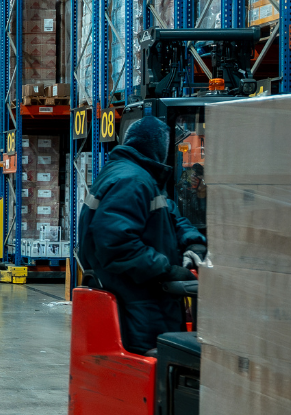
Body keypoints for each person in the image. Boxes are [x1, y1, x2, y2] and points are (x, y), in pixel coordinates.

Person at [75, 115, 207, 355]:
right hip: (139, 302)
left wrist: (193, 242)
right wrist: (166, 269)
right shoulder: (132, 181)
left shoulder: (136, 176)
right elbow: (117, 244)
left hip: (143, 298)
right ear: (159, 149)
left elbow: (171, 215)